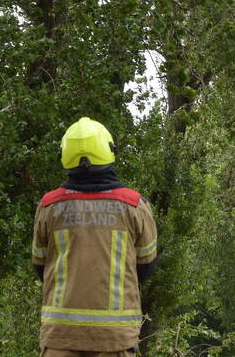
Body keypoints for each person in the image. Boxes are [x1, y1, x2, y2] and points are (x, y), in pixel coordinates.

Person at [33, 117, 158, 357]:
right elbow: (146, 268)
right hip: (115, 338)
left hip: (60, 336)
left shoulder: (49, 206)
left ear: (64, 155)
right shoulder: (134, 205)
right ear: (109, 151)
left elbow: (40, 267)